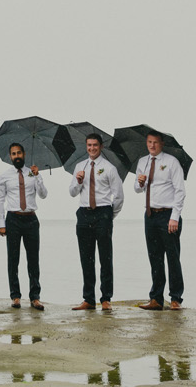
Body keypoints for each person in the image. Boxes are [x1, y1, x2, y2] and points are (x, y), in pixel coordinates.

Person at [68, 132, 123, 310]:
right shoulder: (79, 167)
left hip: (103, 213)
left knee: (105, 258)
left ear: (101, 147)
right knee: (86, 259)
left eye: (95, 145)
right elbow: (72, 192)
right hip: (84, 214)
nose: (92, 148)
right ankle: (88, 299)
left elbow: (119, 196)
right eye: (89, 145)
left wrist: (108, 216)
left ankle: (106, 298)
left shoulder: (109, 168)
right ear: (86, 146)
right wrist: (78, 181)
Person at [133, 131, 186, 310]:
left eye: (155, 142)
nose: (152, 145)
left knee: (172, 257)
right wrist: (140, 182)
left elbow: (180, 191)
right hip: (150, 214)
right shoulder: (143, 162)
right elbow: (137, 189)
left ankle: (176, 298)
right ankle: (156, 298)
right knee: (154, 258)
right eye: (149, 142)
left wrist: (175, 217)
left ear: (161, 144)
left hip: (168, 214)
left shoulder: (171, 162)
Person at [0, 142, 46, 309]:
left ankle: (35, 297)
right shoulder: (4, 176)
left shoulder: (33, 173)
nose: (16, 156)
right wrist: (2, 223)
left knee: (34, 260)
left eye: (19, 153)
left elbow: (44, 195)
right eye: (13, 154)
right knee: (13, 259)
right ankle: (15, 296)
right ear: (10, 156)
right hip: (13, 219)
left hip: (31, 219)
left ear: (24, 154)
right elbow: (0, 200)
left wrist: (38, 176)